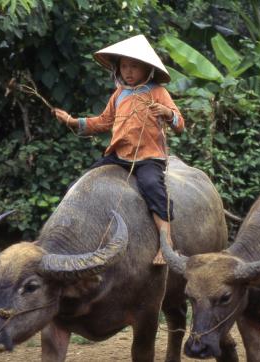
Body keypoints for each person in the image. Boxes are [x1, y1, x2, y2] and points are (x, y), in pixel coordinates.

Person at [53, 35, 185, 265]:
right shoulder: (119, 94)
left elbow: (180, 124)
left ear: (147, 68)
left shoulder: (158, 92)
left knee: (153, 187)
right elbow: (103, 122)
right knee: (82, 183)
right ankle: (70, 239)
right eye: (124, 66)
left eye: (134, 66)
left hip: (148, 157)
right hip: (118, 156)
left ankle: (167, 243)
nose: (129, 71)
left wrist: (167, 113)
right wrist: (72, 121)